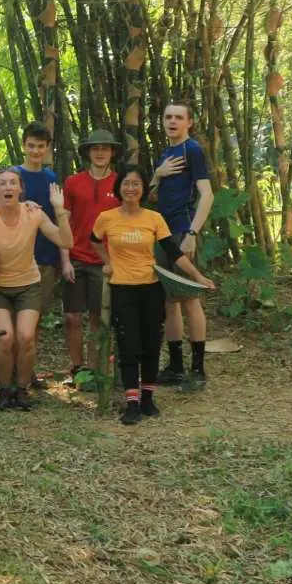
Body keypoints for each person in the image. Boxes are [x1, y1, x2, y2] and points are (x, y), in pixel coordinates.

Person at [93, 166, 215, 424]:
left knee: (150, 344)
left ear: (143, 188)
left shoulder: (154, 218)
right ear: (119, 188)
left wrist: (197, 276)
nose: (131, 188)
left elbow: (173, 252)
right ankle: (131, 402)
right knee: (128, 345)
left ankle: (147, 397)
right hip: (122, 288)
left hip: (150, 288)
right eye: (126, 183)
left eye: (136, 184)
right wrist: (107, 261)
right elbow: (93, 240)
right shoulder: (106, 218)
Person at [0, 169, 73, 410]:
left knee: (26, 337)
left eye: (13, 183)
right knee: (5, 338)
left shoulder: (33, 213)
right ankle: (4, 390)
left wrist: (59, 209)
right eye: (2, 183)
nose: (8, 187)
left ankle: (21, 389)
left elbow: (66, 241)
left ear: (20, 189)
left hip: (28, 284)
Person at [150, 101, 215, 391]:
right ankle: (175, 366)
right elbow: (152, 197)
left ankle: (198, 369)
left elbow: (207, 194)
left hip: (181, 230)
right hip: (162, 233)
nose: (172, 121)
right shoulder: (167, 154)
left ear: (189, 122)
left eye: (178, 117)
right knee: (169, 300)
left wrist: (192, 232)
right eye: (168, 117)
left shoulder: (193, 150)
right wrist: (158, 174)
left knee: (189, 297)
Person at [60, 130, 121, 389]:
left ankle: (96, 371)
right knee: (72, 317)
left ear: (112, 152)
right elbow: (63, 222)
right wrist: (64, 259)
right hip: (75, 257)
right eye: (95, 148)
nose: (100, 153)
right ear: (87, 152)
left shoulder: (120, 183)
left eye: (105, 148)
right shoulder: (73, 182)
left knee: (99, 317)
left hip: (104, 261)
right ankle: (77, 368)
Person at [13, 123, 62, 320]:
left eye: (41, 146)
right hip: (16, 255)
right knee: (16, 317)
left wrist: (61, 258)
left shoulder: (51, 177)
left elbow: (56, 216)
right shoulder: (13, 175)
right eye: (31, 145)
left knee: (38, 317)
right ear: (24, 145)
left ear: (48, 147)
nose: (35, 151)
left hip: (45, 254)